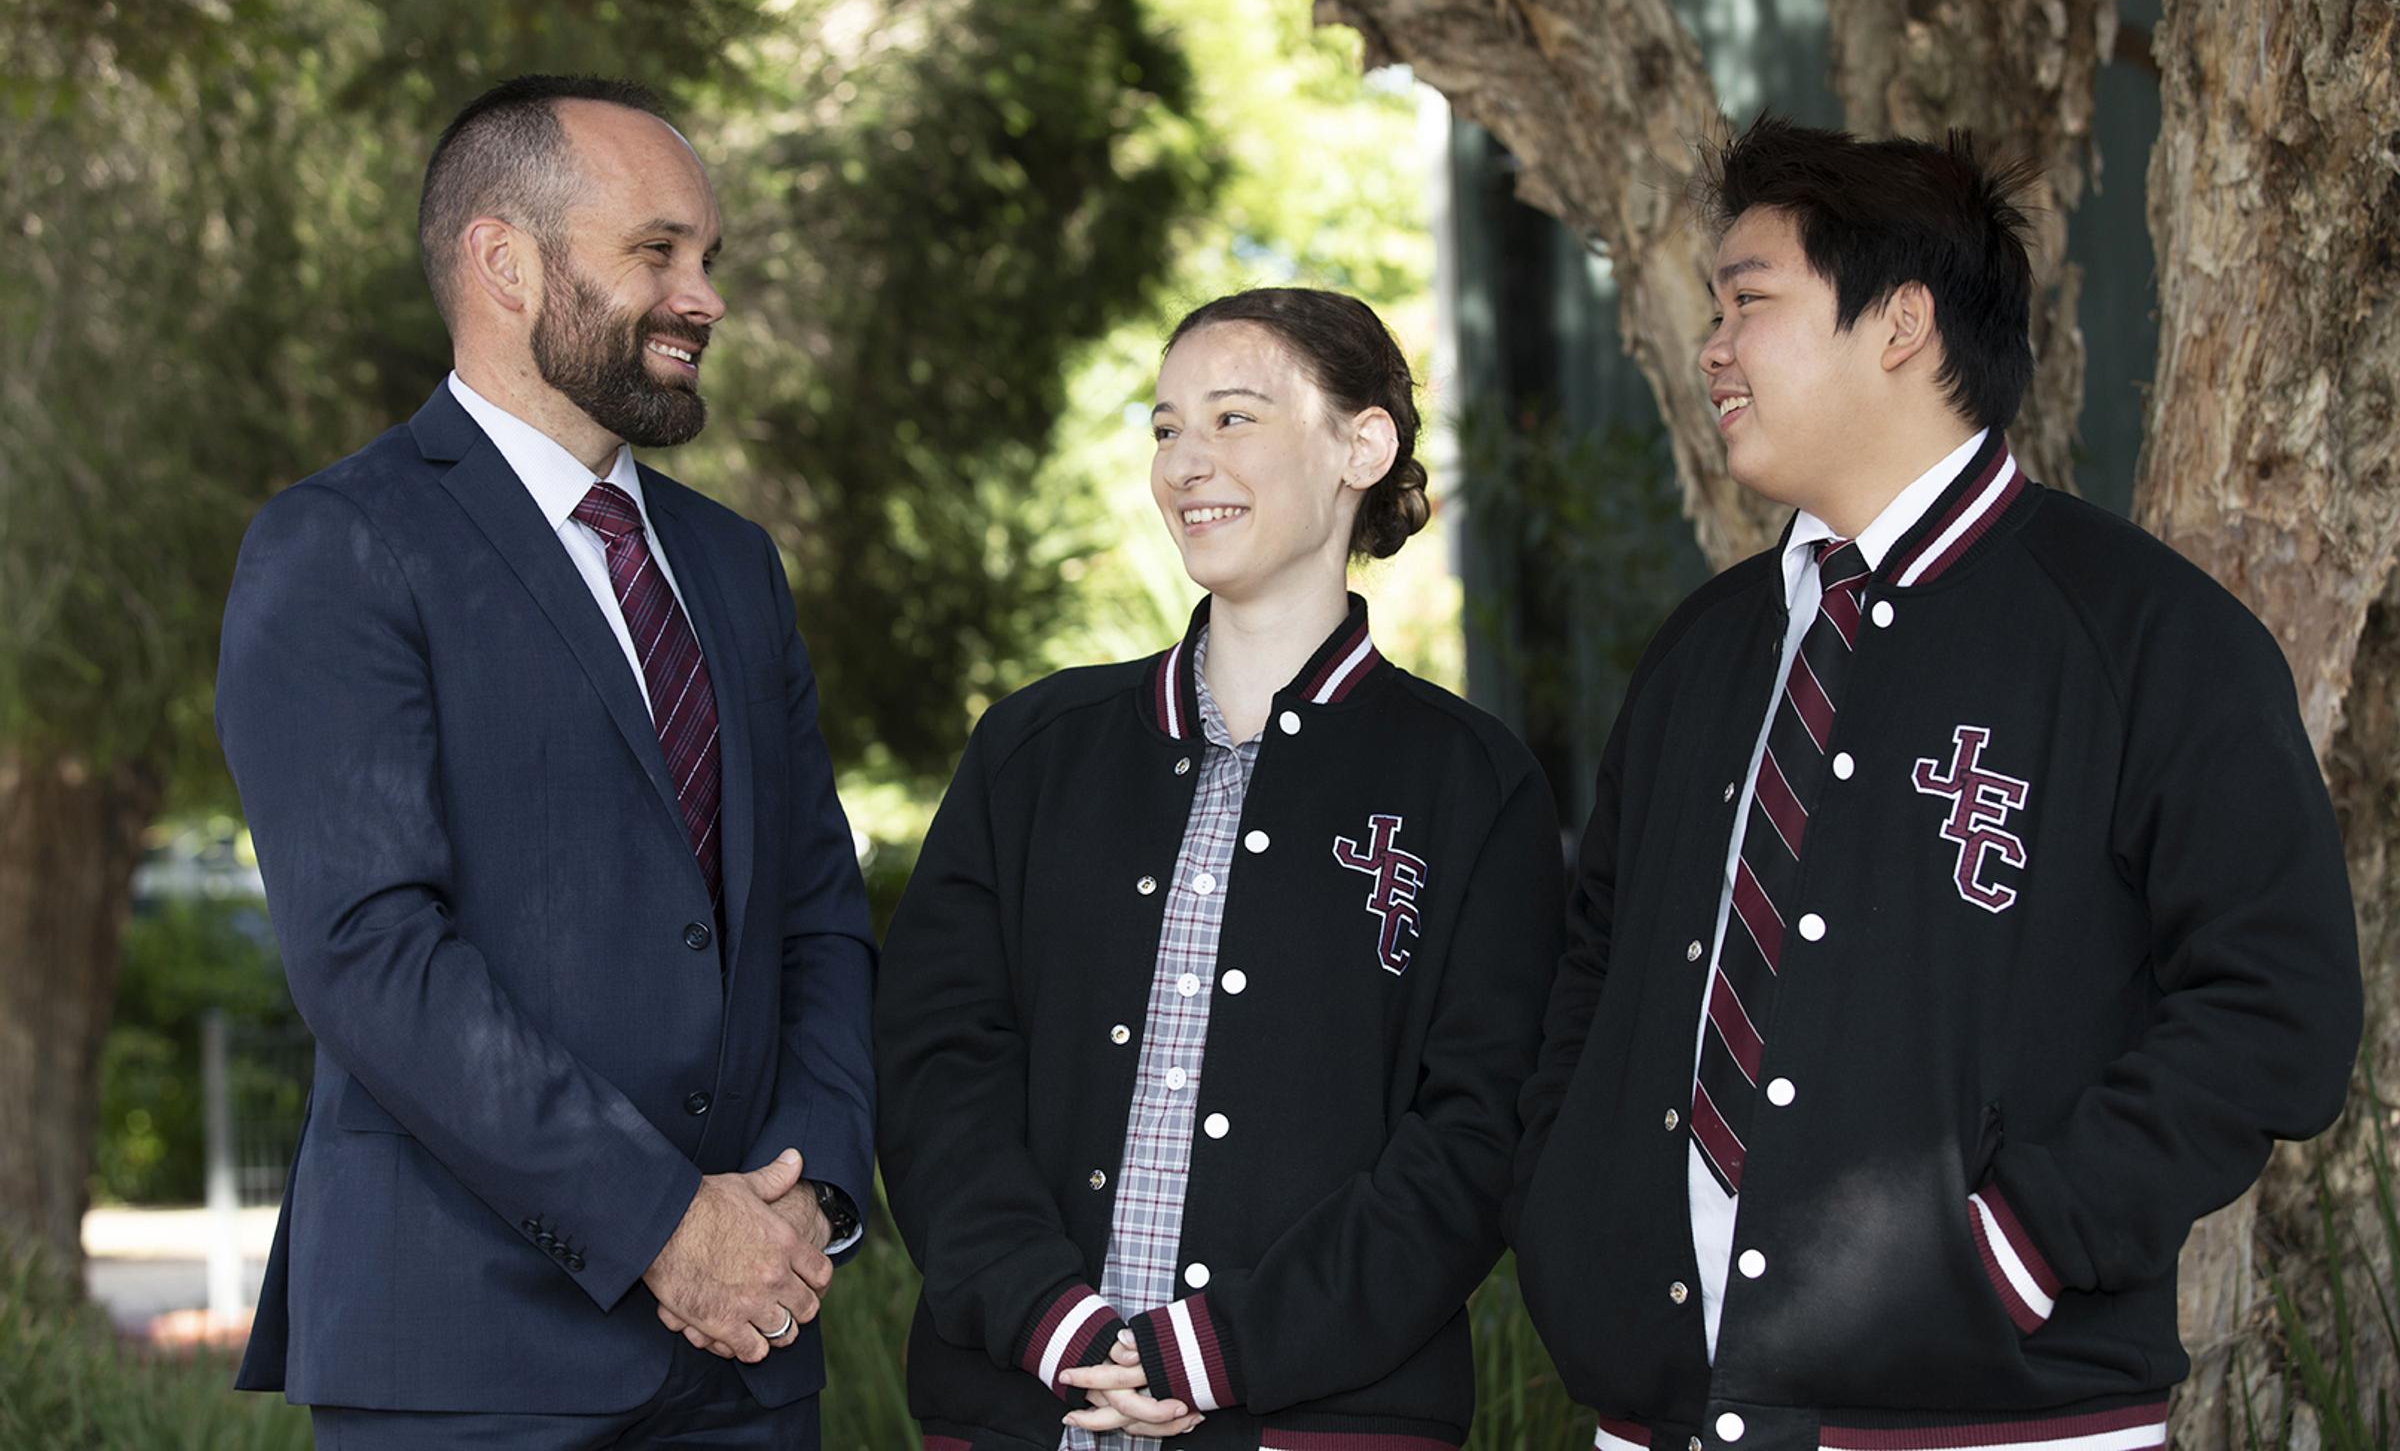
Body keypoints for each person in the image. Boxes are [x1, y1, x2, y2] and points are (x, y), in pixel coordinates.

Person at [1510, 115, 2363, 1451]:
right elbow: (1595, 967)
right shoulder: (1701, 652)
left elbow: (2278, 1009)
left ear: (1901, 323)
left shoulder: (2148, 637)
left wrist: (2018, 1249)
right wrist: (1573, 1214)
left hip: (2000, 1419)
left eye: (1749, 302)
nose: (1712, 347)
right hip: (1661, 1411)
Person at [216, 74, 876, 1448]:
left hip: (750, 1354)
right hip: (468, 1361)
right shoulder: (340, 544)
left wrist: (806, 1191)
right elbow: (372, 953)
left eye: (708, 256)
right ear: (504, 261)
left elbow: (816, 912)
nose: (704, 297)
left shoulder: (734, 566)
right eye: (657, 251)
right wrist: (662, 1226)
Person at [876, 287, 1564, 1451]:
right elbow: (936, 1062)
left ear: (1362, 445)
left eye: (1234, 418)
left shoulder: (1472, 783)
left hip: (1321, 1425)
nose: (1185, 463)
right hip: (1024, 1409)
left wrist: (1227, 1346)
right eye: (1165, 428)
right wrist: (1047, 1317)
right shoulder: (1033, 750)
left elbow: (1474, 1134)